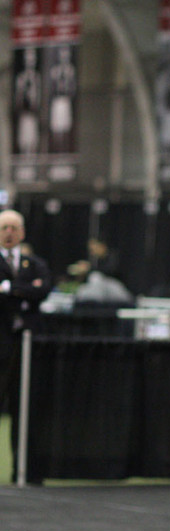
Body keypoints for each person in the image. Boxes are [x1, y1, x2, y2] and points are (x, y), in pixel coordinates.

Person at [0, 209, 52, 481]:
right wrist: (25, 289)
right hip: (2, 347)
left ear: (21, 233)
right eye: (4, 227)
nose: (8, 233)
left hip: (28, 347)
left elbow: (42, 290)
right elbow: (32, 291)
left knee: (26, 410)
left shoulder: (36, 264)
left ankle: (24, 472)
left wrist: (9, 288)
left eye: (13, 228)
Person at [13, 47, 42, 156]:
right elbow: (17, 102)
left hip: (33, 117)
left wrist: (34, 97)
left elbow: (39, 101)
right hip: (24, 116)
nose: (30, 62)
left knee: (33, 144)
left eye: (32, 59)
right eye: (28, 59)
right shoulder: (20, 79)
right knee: (23, 144)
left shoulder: (37, 78)